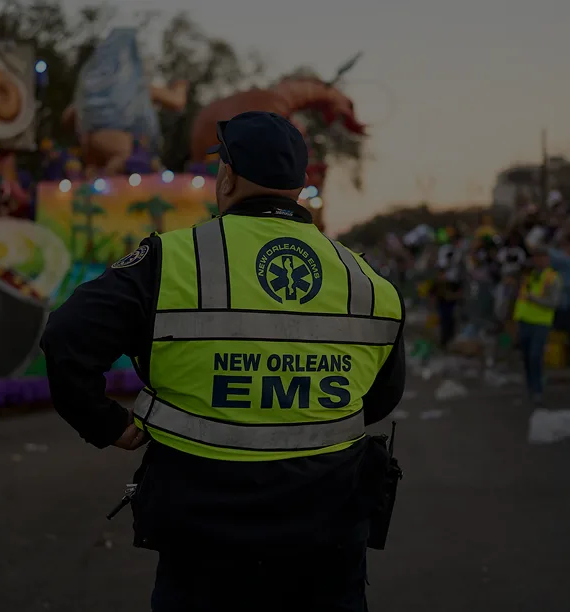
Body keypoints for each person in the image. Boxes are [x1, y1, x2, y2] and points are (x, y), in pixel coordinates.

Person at [40, 111, 406, 612]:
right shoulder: (368, 282)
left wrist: (107, 424)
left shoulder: (169, 260)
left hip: (203, 543)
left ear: (227, 175)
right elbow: (381, 399)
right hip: (329, 537)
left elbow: (65, 340)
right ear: (299, 187)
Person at [513, 245, 562, 404]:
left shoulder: (552, 278)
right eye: (536, 257)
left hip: (541, 322)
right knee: (526, 357)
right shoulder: (529, 276)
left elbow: (553, 302)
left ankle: (538, 390)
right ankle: (530, 388)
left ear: (547, 259)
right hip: (525, 321)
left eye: (542, 257)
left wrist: (534, 299)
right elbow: (520, 298)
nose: (539, 261)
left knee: (535, 356)